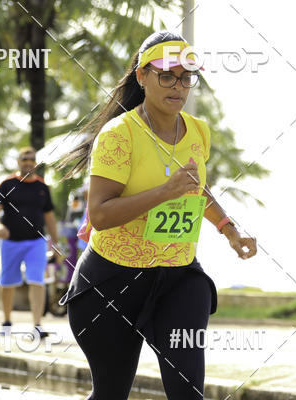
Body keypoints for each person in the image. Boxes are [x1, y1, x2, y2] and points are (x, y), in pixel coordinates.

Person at [59, 32, 258, 400]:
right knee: (110, 394)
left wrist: (229, 228)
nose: (177, 86)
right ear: (142, 76)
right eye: (166, 75)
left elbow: (195, 189)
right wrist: (163, 193)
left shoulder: (198, 132)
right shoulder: (118, 135)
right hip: (112, 282)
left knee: (187, 392)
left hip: (179, 277)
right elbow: (100, 214)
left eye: (186, 77)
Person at [0, 147, 59, 337]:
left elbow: (49, 217)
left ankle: (37, 326)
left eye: (32, 159)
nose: (28, 162)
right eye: (24, 159)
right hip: (11, 242)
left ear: (36, 163)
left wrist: (56, 243)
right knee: (7, 282)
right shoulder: (7, 184)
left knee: (37, 280)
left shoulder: (42, 187)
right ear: (18, 162)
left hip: (37, 242)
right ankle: (6, 322)